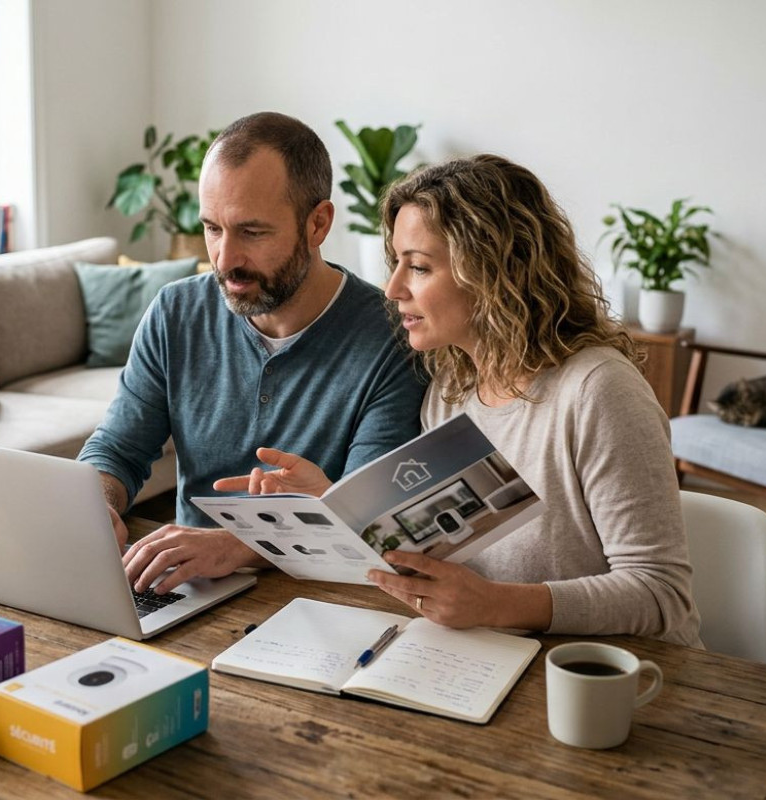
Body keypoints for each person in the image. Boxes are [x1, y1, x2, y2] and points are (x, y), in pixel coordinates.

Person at [216, 154, 702, 647]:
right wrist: (330, 506)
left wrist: (494, 604)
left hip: (614, 673)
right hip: (495, 654)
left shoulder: (598, 391)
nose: (393, 289)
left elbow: (659, 593)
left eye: (419, 267)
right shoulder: (450, 391)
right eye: (396, 263)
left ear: (492, 272)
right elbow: (436, 553)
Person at [78, 112, 428, 597]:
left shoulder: (393, 336)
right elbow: (118, 448)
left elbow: (369, 517)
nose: (224, 260)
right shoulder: (175, 312)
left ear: (318, 224)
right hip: (186, 587)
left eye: (252, 232)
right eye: (212, 228)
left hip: (325, 595)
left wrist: (235, 546)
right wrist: (96, 504)